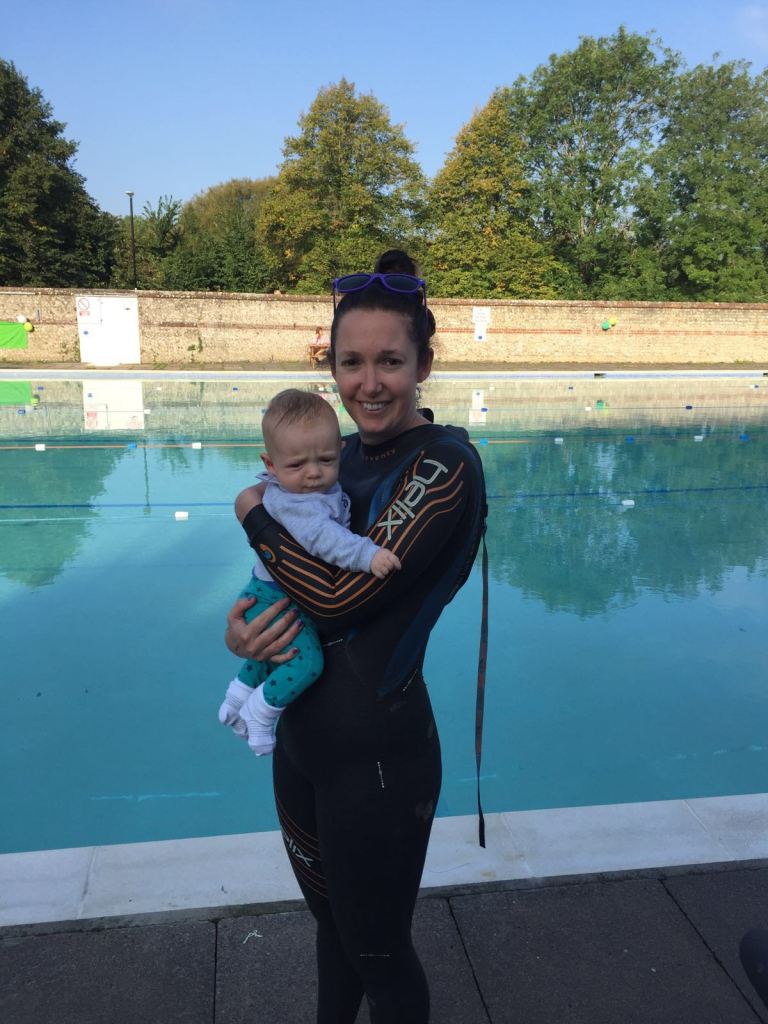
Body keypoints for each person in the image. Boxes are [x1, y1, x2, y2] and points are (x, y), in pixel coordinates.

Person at [225, 250, 486, 1024]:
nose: (369, 383)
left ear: (423, 365)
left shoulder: (442, 467)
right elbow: (286, 591)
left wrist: (252, 515)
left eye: (389, 362)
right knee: (333, 933)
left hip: (378, 763)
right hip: (303, 750)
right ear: (331, 367)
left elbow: (337, 601)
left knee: (378, 952)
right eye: (351, 363)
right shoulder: (333, 459)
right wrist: (243, 632)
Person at [218, 388, 401, 755]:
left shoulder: (295, 484)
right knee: (305, 662)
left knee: (273, 650)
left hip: (267, 591)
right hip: (280, 597)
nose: (314, 473)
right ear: (270, 465)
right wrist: (367, 555)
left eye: (327, 460)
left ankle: (236, 698)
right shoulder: (300, 504)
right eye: (297, 465)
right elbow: (323, 539)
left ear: (341, 452)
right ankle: (260, 712)